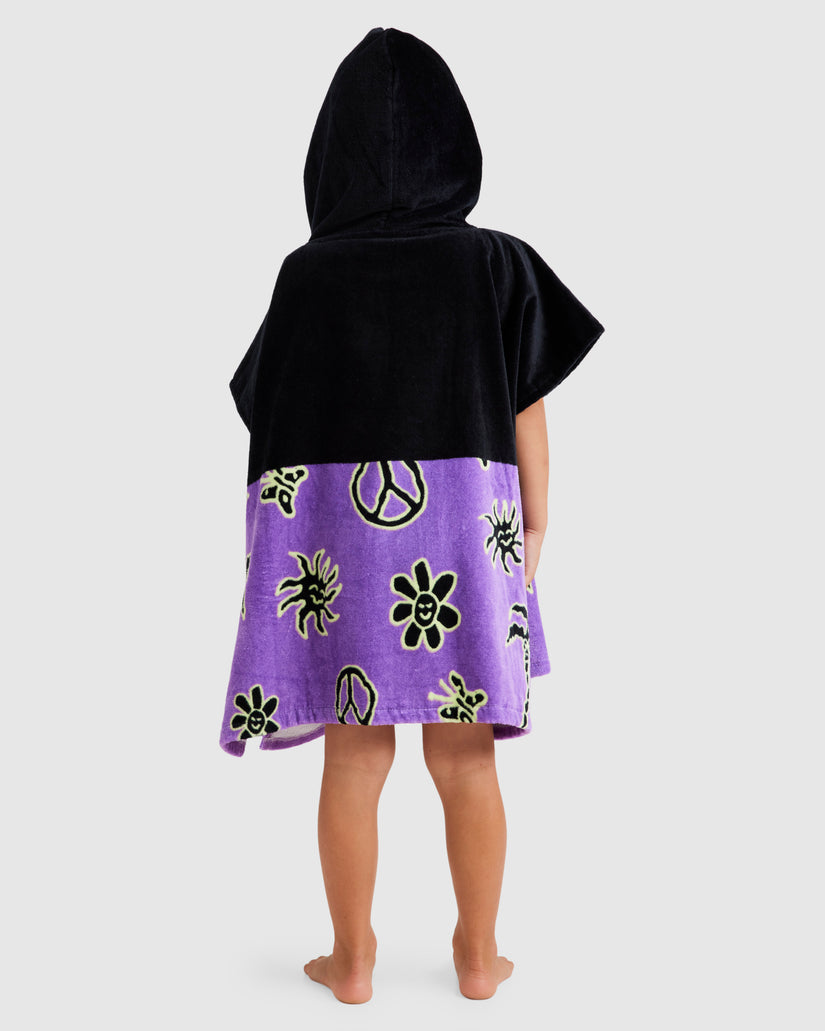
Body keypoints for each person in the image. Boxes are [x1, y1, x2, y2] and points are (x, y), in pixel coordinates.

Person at [219, 27, 604, 1005]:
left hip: (341, 543)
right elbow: (527, 408)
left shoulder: (305, 276)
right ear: (454, 144)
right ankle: (478, 957)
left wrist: (271, 559)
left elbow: (274, 425)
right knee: (465, 756)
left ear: (329, 153)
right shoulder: (496, 263)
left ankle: (351, 962)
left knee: (354, 754)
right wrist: (537, 527)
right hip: (466, 538)